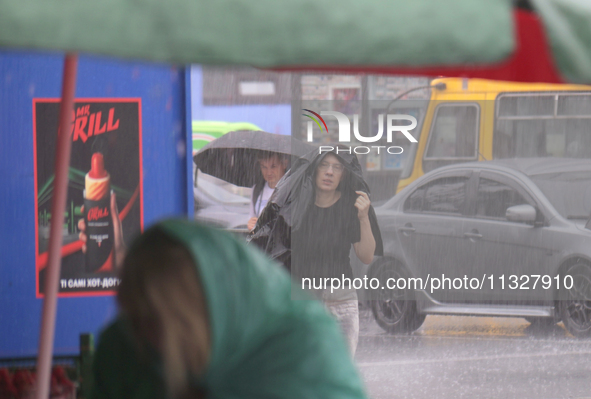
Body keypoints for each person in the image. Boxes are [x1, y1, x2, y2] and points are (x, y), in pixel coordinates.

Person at [90, 219, 368, 399]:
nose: (146, 335)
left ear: (208, 307)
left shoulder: (304, 350)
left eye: (158, 321)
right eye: (136, 317)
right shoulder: (126, 347)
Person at [290, 152, 379, 357]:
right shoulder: (298, 206)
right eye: (324, 165)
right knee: (306, 369)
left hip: (341, 300)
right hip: (304, 300)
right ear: (314, 169)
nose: (329, 172)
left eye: (337, 168)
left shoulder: (350, 207)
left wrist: (364, 218)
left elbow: (366, 256)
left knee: (339, 370)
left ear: (344, 175)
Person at [247, 152, 288, 231]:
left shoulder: (291, 190)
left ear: (284, 164)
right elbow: (252, 218)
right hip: (261, 242)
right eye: (264, 167)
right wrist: (251, 226)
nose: (268, 172)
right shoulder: (257, 189)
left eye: (273, 166)